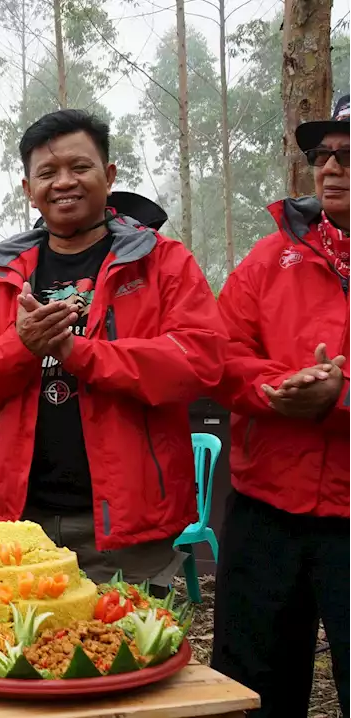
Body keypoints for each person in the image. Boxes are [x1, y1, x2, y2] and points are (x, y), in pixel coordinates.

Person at [0, 110, 227, 585]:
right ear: (28, 188)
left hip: (129, 532)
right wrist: (22, 345)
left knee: (131, 655)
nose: (64, 183)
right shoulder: (1, 276)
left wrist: (80, 354)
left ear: (109, 175)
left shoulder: (161, 263)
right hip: (25, 526)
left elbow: (199, 361)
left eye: (80, 167)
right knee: (30, 653)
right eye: (47, 173)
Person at [211, 95, 351, 717]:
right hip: (266, 509)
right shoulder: (269, 260)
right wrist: (282, 387)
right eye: (324, 155)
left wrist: (338, 398)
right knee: (254, 686)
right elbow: (217, 354)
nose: (332, 169)